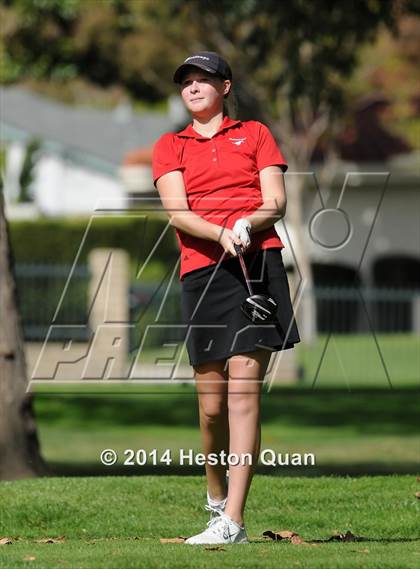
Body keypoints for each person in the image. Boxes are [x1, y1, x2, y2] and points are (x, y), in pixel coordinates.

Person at [152, 51, 300, 545]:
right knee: (211, 403)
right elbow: (177, 212)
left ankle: (233, 520)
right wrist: (219, 232)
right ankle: (215, 496)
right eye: (186, 82)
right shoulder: (170, 145)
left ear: (226, 86)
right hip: (202, 270)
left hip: (256, 266)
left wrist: (247, 222)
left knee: (243, 385)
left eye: (203, 80)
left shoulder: (255, 134)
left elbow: (274, 201)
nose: (193, 87)